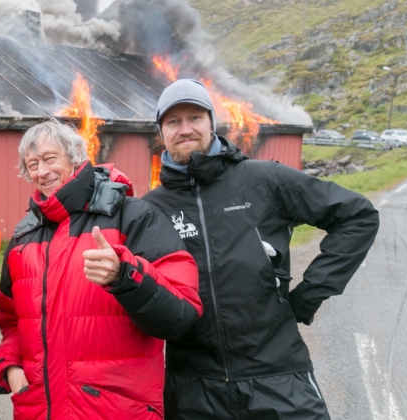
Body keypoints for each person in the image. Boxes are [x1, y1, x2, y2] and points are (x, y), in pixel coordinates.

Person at [142, 79, 380, 419]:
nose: (185, 129)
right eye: (173, 122)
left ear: (211, 122)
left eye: (194, 117)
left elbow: (358, 216)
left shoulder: (264, 180)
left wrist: (308, 294)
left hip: (279, 378)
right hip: (193, 388)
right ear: (161, 132)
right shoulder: (150, 209)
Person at [0, 120, 203, 419]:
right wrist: (10, 364)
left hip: (116, 411)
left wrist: (125, 275)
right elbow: (12, 321)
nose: (42, 171)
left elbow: (182, 314)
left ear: (75, 157)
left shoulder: (132, 217)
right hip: (38, 409)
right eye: (32, 164)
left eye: (50, 158)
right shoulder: (22, 239)